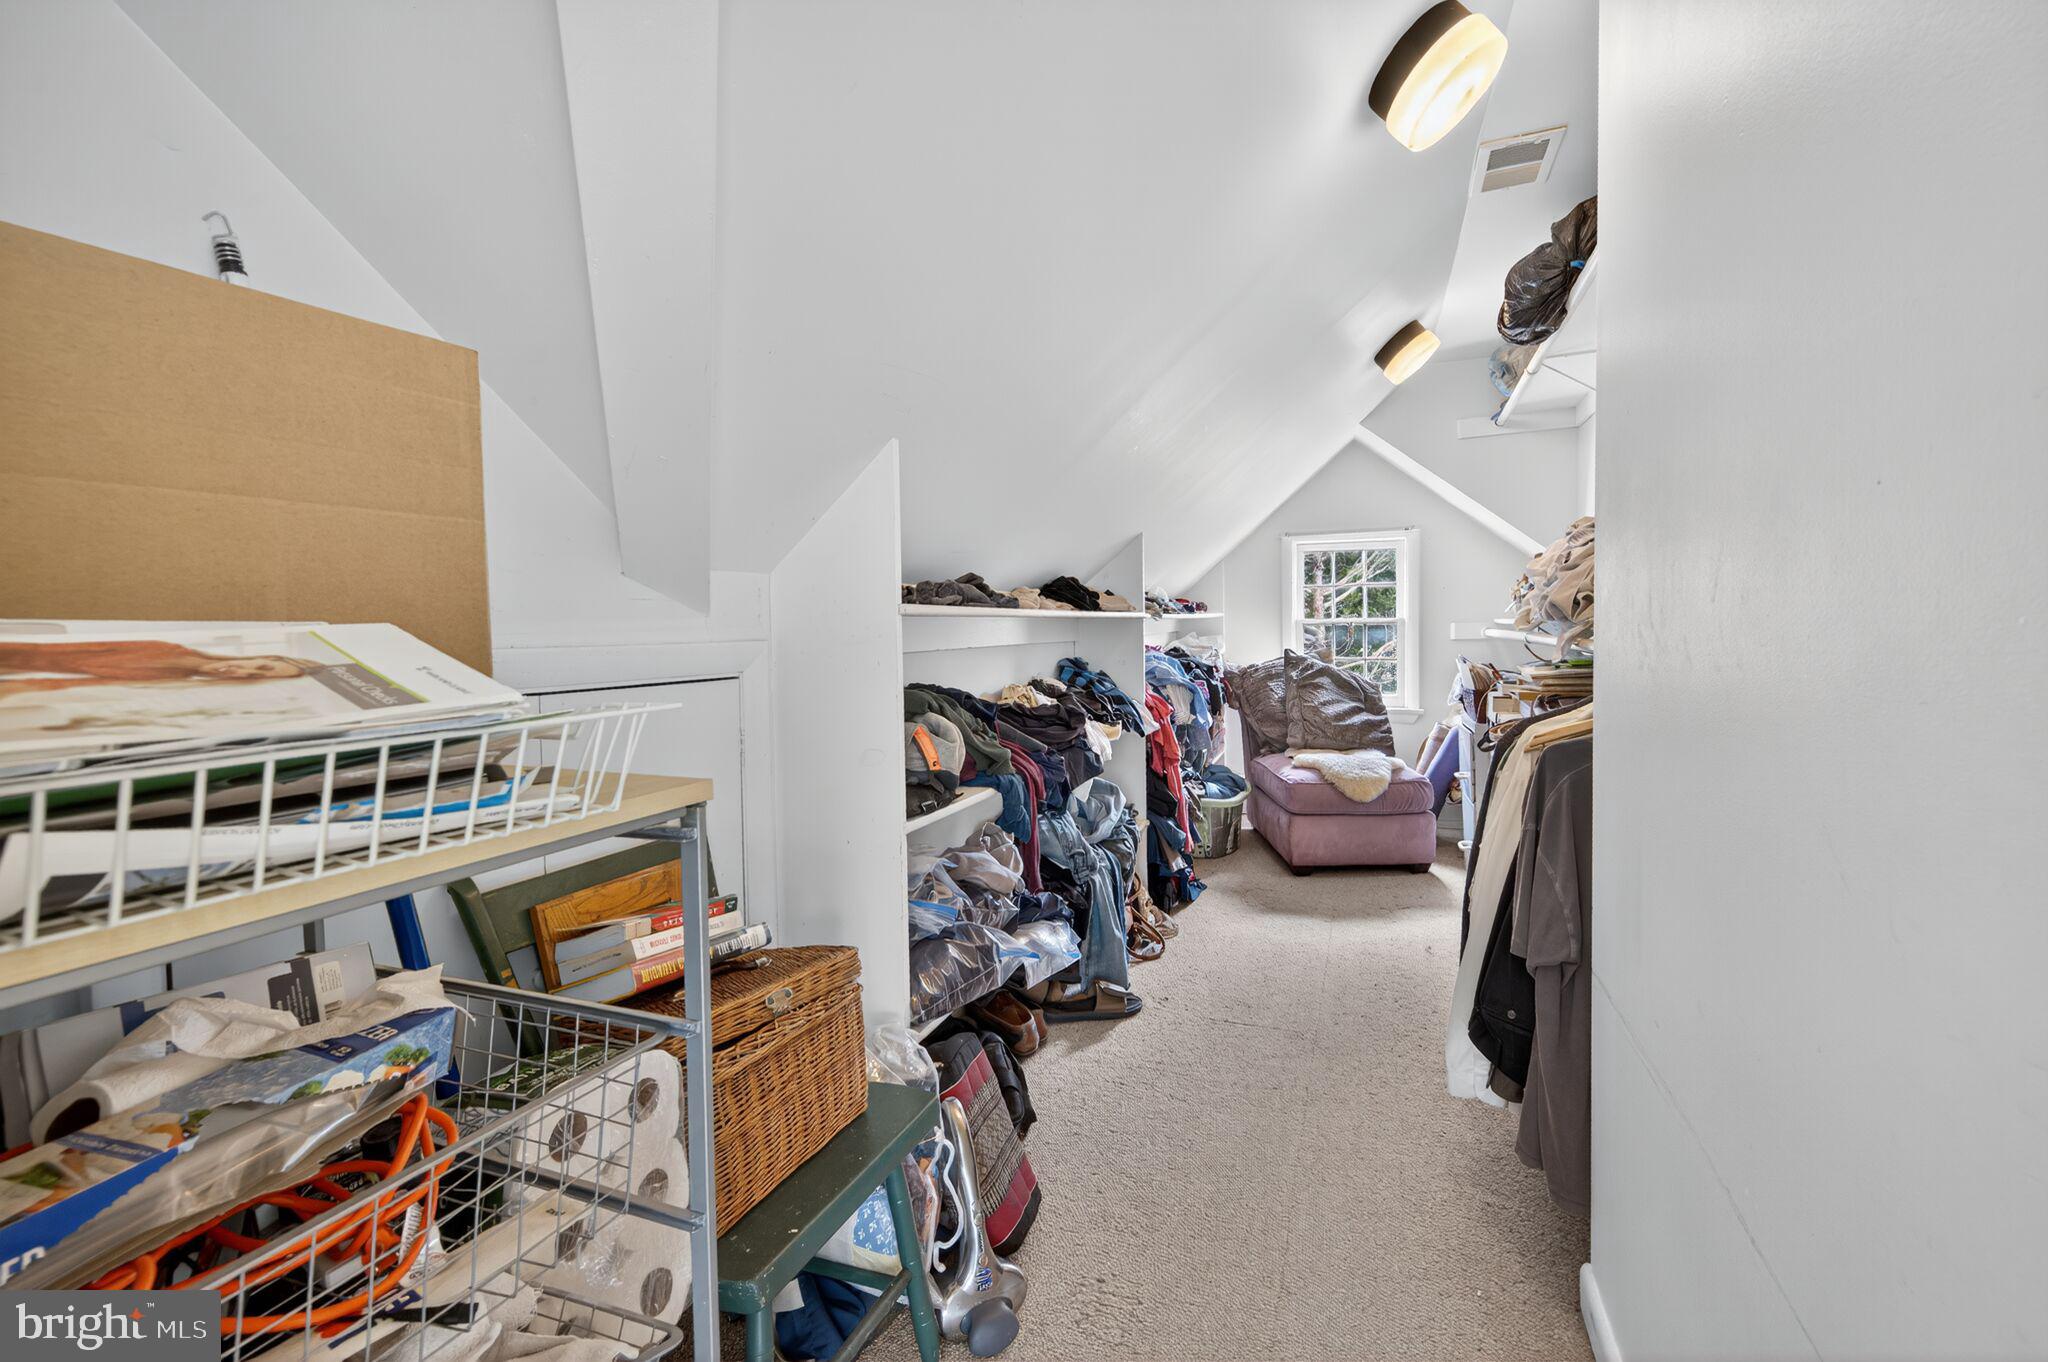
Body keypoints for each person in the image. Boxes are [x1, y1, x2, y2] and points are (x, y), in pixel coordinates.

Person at [0, 638, 321, 699]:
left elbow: (60, 686)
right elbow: (44, 652)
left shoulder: (174, 681)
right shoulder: (164, 649)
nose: (242, 671)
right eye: (260, 666)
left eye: (253, 678)